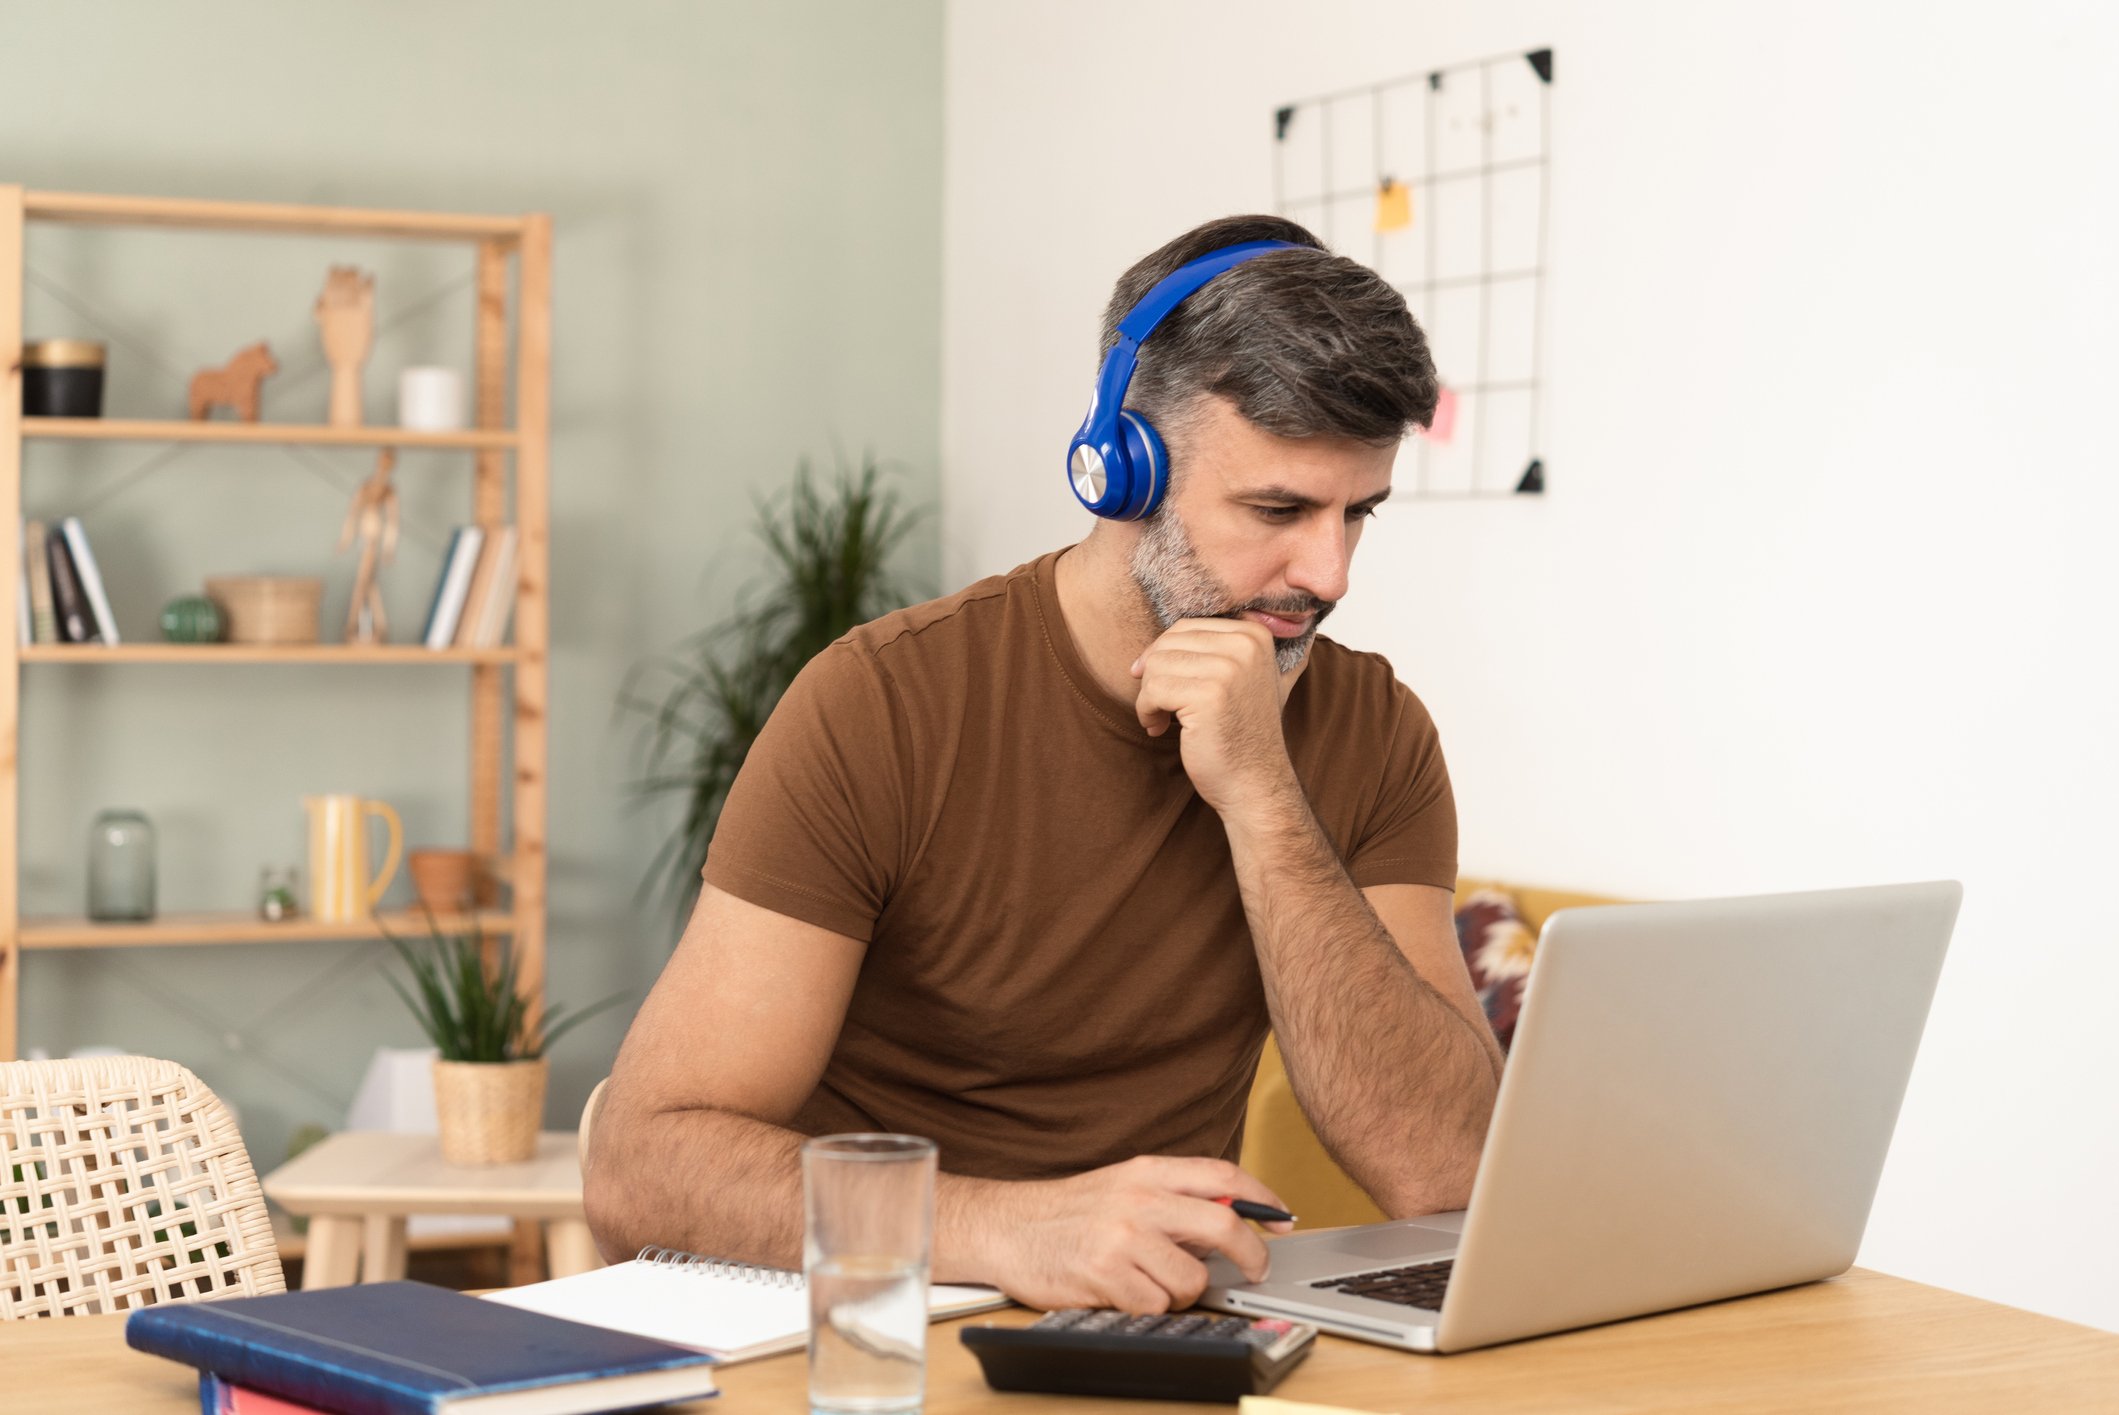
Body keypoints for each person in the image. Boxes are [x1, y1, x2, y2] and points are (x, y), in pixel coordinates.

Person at [585, 214, 1504, 1314]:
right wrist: (1006, 1227)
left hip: (1138, 1337)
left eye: (1359, 513)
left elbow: (1443, 1170)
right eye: (1278, 509)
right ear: (1120, 469)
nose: (1330, 570)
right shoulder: (883, 702)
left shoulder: (1371, 729)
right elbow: (639, 1164)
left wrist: (1262, 796)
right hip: (856, 1327)